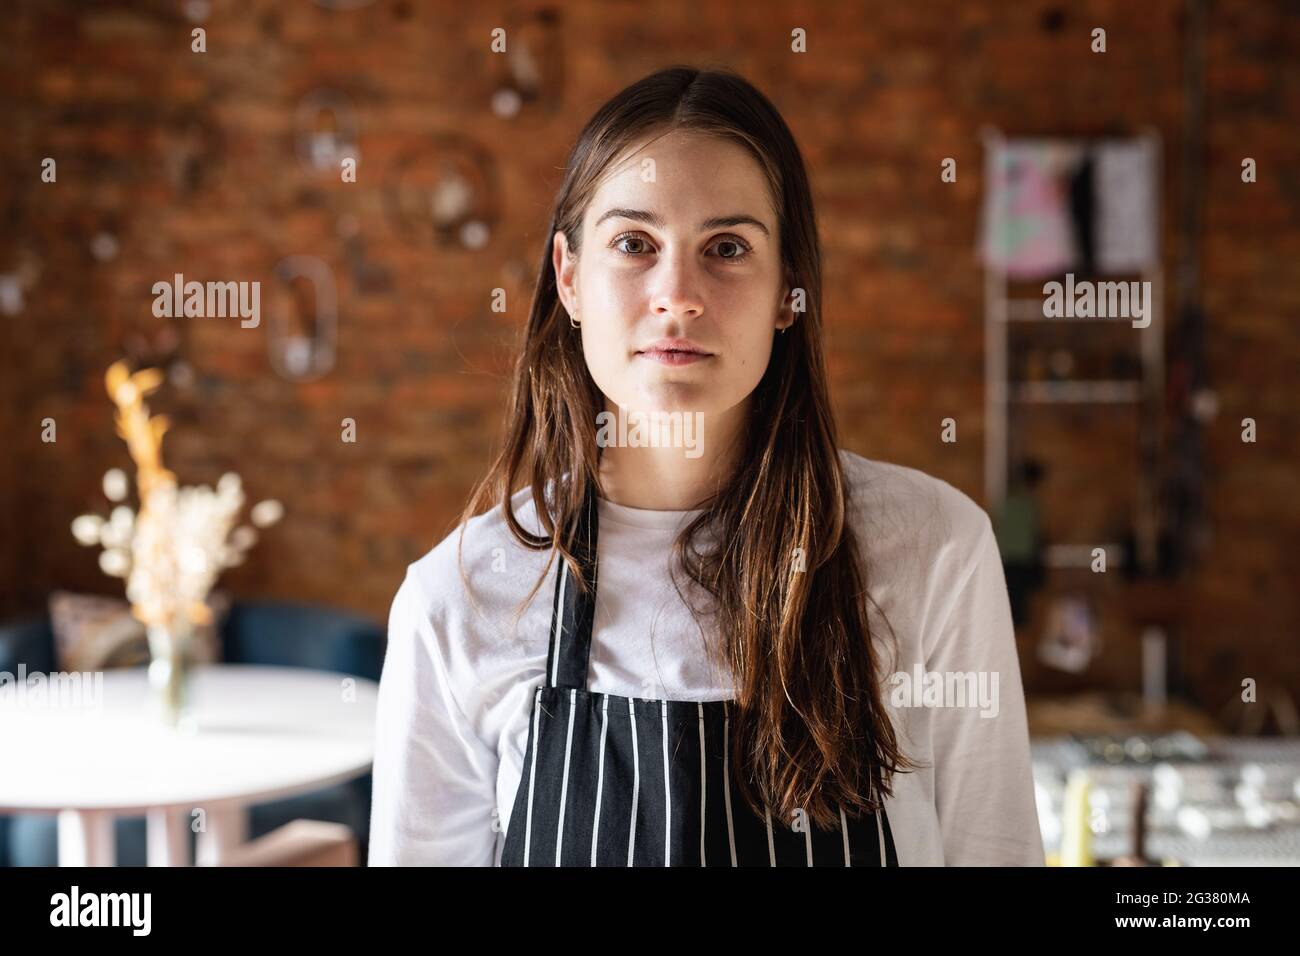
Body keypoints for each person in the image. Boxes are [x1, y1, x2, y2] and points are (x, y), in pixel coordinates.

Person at [369, 66, 1043, 867]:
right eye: (633, 244)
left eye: (727, 248)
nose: (678, 294)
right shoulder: (457, 600)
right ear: (571, 277)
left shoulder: (937, 548)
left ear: (789, 286)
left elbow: (995, 853)